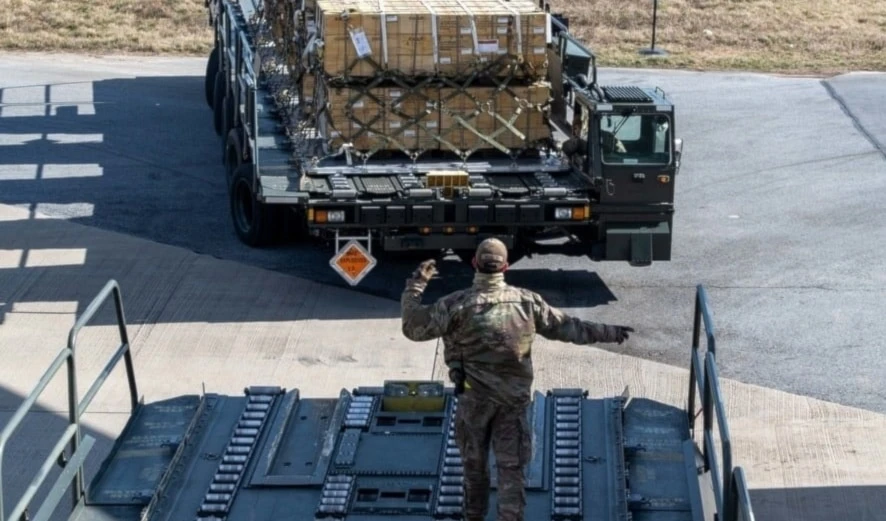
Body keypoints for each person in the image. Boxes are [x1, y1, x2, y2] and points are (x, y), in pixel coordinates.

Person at [400, 238, 634, 521]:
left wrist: (416, 286)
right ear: (506, 266)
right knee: (511, 470)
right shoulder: (526, 302)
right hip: (512, 403)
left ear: (474, 263)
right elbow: (569, 328)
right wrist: (609, 332)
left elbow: (413, 328)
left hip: (473, 402)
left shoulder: (454, 305)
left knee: (474, 469)